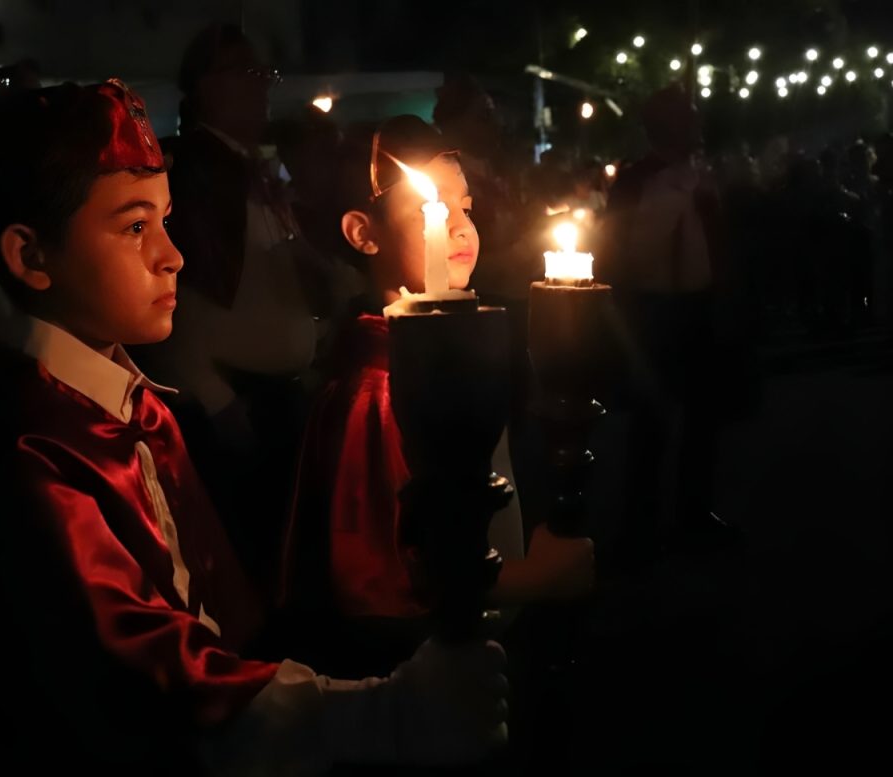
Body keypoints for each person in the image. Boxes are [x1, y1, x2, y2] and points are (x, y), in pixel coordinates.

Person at [0, 80, 507, 773]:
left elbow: (220, 619)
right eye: (134, 227)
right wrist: (386, 713)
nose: (173, 255)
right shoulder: (34, 445)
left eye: (165, 221)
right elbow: (149, 674)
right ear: (31, 256)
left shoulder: (134, 407)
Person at [282, 116, 595, 677]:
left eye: (465, 208)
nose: (459, 228)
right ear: (363, 233)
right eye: (432, 208)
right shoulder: (378, 388)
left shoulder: (445, 350)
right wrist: (539, 577)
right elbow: (385, 582)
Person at [137, 23, 320, 595]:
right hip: (234, 406)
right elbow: (176, 290)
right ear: (205, 87)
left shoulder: (248, 171)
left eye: (264, 73)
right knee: (250, 569)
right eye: (245, 71)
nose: (261, 86)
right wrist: (215, 397)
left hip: (274, 399)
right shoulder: (193, 171)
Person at [595, 84, 743, 565]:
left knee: (702, 419)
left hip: (697, 306)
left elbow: (717, 242)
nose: (698, 125)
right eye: (689, 117)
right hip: (653, 308)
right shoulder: (636, 181)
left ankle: (693, 514)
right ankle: (640, 527)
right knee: (650, 423)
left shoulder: (703, 176)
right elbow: (615, 247)